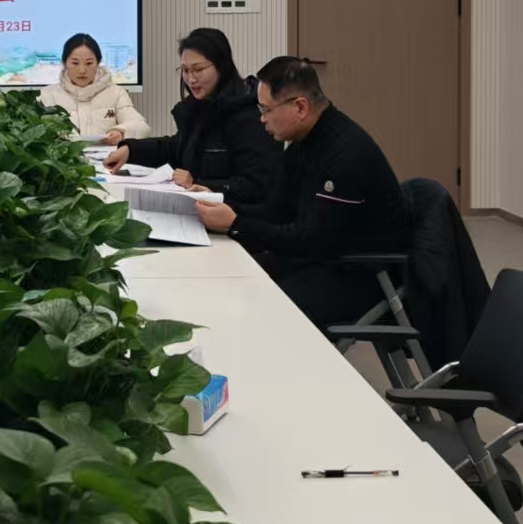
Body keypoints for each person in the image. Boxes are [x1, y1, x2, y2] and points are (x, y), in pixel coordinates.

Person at [194, 56, 409, 328]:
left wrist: (236, 224)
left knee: (256, 304)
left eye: (266, 110)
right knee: (230, 278)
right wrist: (218, 204)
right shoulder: (303, 143)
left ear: (300, 107)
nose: (262, 119)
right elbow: (275, 211)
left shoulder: (345, 154)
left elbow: (311, 239)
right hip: (322, 259)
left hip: (361, 274)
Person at [105, 27, 281, 206]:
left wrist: (199, 184)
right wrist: (130, 150)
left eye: (198, 69)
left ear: (221, 66)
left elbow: (257, 184)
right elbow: (178, 148)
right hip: (199, 209)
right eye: (185, 70)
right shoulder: (199, 107)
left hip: (231, 215)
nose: (190, 79)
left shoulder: (250, 115)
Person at [39, 32, 150, 143]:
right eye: (75, 63)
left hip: (108, 153)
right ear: (64, 63)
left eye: (89, 63)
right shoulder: (48, 95)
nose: (82, 70)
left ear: (98, 63)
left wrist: (120, 132)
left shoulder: (116, 93)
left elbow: (141, 126)